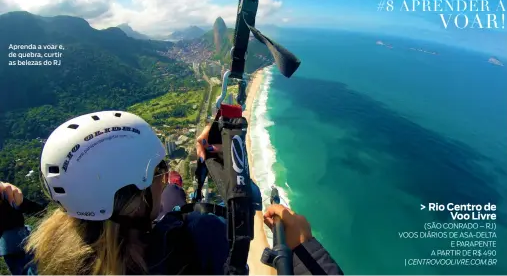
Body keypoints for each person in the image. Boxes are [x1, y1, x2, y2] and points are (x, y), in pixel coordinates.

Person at [0, 110, 343, 275]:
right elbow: (245, 246)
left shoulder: (50, 262)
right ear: (133, 198)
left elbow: (20, 263)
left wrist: (11, 219)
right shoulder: (193, 238)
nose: (166, 176)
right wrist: (299, 248)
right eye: (159, 172)